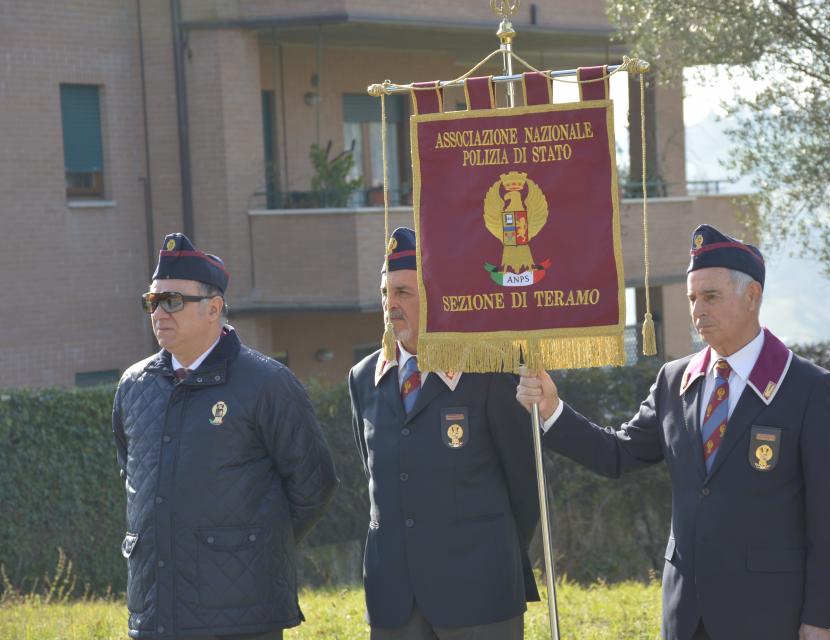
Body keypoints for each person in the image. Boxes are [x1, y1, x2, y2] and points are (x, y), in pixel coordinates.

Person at [516, 224, 830, 640]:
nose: (697, 311)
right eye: (692, 298)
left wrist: (822, 617)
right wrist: (552, 409)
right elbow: (618, 453)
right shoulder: (674, 380)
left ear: (752, 297)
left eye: (711, 296)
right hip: (686, 614)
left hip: (770, 615)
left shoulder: (807, 388)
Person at [112, 233, 339, 639]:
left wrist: (249, 544)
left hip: (242, 616)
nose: (160, 311)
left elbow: (314, 485)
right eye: (153, 301)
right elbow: (134, 475)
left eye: (174, 301)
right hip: (155, 613)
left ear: (214, 308)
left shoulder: (267, 383)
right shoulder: (134, 385)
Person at [348, 227, 541, 640]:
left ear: (434, 295)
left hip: (479, 593)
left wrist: (491, 552)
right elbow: (377, 477)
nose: (390, 305)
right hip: (395, 600)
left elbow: (525, 485)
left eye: (403, 293)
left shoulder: (489, 367)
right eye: (385, 293)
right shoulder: (363, 377)